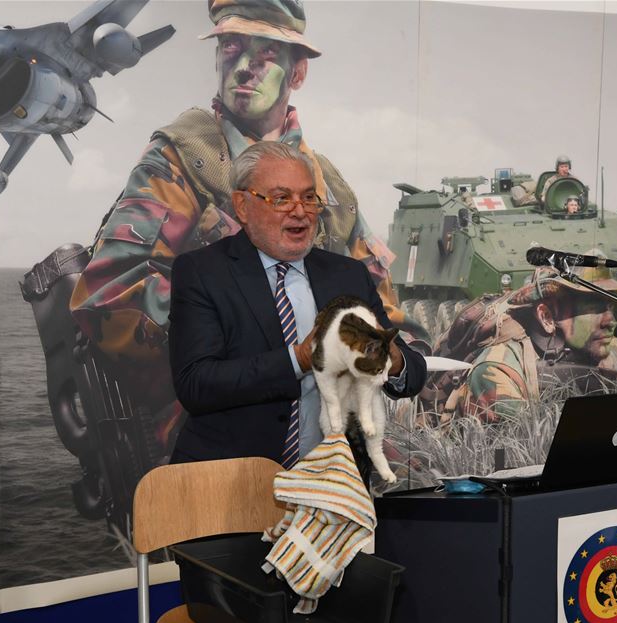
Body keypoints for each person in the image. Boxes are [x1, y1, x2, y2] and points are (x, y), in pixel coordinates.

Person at [69, 0, 416, 462]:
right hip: (220, 433)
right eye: (231, 46)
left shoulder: (329, 187)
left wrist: (397, 355)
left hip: (332, 441)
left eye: (267, 52)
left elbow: (384, 313)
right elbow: (111, 292)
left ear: (297, 73)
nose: (244, 66)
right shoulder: (184, 157)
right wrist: (265, 348)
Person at [168, 142, 427, 465]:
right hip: (232, 479)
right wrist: (299, 359)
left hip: (333, 482)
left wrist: (392, 357)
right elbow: (196, 384)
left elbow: (412, 375)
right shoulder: (203, 272)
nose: (300, 211)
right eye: (281, 199)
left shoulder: (347, 274)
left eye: (308, 197)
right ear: (242, 206)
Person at [433, 255, 617, 424]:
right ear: (547, 317)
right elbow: (522, 449)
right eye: (594, 309)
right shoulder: (496, 370)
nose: (611, 322)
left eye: (611, 308)